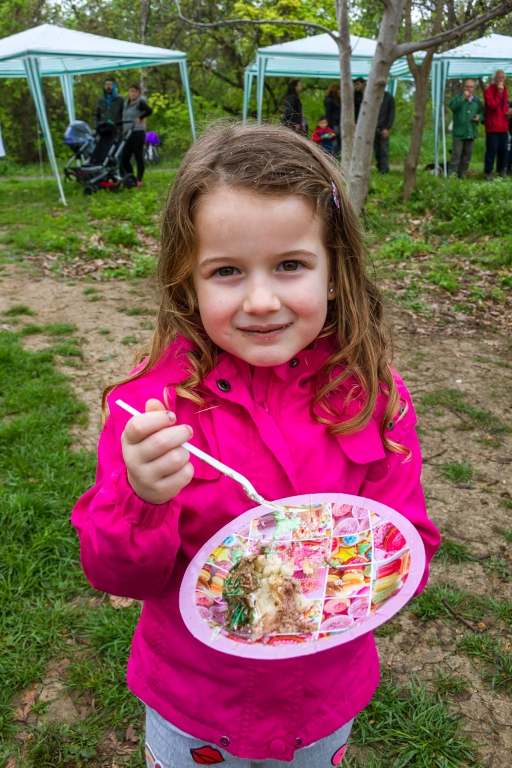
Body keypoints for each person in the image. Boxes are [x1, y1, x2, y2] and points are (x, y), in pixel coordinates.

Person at [72, 123, 440, 768]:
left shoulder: (375, 397)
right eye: (227, 272)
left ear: (335, 271)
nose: (262, 301)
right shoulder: (151, 410)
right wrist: (139, 497)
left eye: (290, 265)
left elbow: (409, 541)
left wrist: (354, 574)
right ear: (187, 284)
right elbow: (119, 576)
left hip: (320, 698)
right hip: (195, 703)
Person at [448, 79, 484, 178]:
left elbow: (482, 112)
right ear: (463, 87)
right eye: (467, 86)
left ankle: (462, 175)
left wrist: (479, 117)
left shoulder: (476, 101)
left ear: (474, 88)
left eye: (471, 87)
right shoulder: (457, 98)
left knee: (467, 155)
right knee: (456, 154)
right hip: (459, 132)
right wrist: (463, 98)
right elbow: (452, 107)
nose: (469, 89)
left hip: (471, 131)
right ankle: (452, 175)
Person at [120, 83, 153, 186]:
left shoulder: (140, 102)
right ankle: (131, 177)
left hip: (137, 132)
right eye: (132, 91)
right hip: (127, 132)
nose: (133, 93)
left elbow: (149, 110)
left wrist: (141, 117)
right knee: (124, 158)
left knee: (138, 156)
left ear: (138, 93)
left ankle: (139, 179)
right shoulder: (126, 103)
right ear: (128, 91)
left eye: (135, 91)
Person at [484, 69, 512, 180]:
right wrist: (499, 93)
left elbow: (503, 105)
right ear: (494, 78)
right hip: (493, 127)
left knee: (503, 150)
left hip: (503, 126)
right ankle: (488, 171)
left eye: (502, 78)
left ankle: (501, 170)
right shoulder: (488, 91)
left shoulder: (505, 89)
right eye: (499, 77)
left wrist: (508, 111)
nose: (501, 80)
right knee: (491, 150)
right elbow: (493, 105)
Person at [374, 90, 395, 174]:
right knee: (377, 149)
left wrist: (387, 128)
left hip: (384, 127)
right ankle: (379, 166)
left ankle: (384, 169)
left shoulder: (388, 97)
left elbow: (391, 114)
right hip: (374, 127)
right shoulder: (373, 96)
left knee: (383, 149)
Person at [324, 82, 341, 156]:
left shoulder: (337, 100)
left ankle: (336, 157)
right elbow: (328, 114)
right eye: (339, 89)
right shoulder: (329, 100)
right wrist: (331, 126)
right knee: (334, 143)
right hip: (333, 125)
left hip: (338, 124)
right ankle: (332, 157)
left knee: (339, 143)